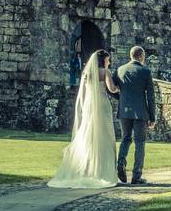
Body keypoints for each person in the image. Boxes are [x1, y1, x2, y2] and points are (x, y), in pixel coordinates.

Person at [48, 49, 120, 188]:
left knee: (88, 135)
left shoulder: (87, 73)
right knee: (104, 136)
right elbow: (111, 89)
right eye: (107, 59)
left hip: (89, 106)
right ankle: (102, 172)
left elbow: (85, 93)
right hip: (102, 105)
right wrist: (119, 88)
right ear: (102, 60)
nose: (109, 62)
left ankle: (87, 169)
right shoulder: (105, 72)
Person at [116, 46, 156, 184]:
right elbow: (151, 96)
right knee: (140, 143)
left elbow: (111, 87)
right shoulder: (145, 71)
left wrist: (120, 98)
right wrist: (152, 117)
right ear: (141, 56)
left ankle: (120, 163)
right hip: (140, 113)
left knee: (125, 139)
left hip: (124, 111)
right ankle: (136, 176)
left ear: (130, 56)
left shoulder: (120, 70)